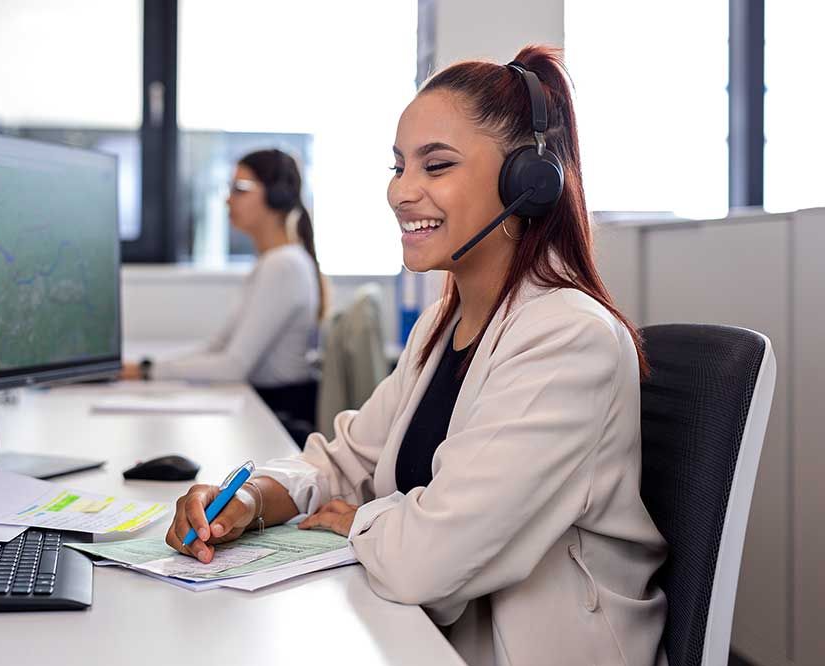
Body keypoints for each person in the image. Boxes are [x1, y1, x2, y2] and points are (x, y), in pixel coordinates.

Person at [165, 46, 668, 666]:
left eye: (437, 166)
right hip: (425, 636)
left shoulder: (568, 337)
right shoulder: (445, 322)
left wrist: (361, 522)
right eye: (399, 166)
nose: (402, 191)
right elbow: (347, 460)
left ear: (527, 182)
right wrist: (251, 499)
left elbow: (432, 558)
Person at [125, 149, 325, 403]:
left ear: (276, 196)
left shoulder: (283, 266)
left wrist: (146, 371)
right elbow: (217, 346)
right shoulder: (274, 261)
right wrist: (147, 367)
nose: (228, 200)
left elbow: (233, 366)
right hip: (268, 404)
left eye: (240, 189)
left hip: (280, 412)